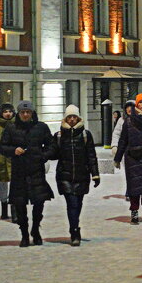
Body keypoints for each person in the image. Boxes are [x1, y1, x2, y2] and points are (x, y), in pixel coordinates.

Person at [0, 100, 55, 247]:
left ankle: (35, 229)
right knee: (20, 205)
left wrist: (43, 156)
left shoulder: (41, 127)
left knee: (39, 203)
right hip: (19, 172)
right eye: (22, 112)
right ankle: (24, 234)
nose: (25, 115)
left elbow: (52, 146)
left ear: (32, 113)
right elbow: (2, 147)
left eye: (28, 112)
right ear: (19, 113)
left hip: (36, 171)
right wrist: (13, 151)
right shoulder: (11, 128)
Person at [51, 104, 100, 246]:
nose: (72, 119)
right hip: (65, 175)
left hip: (82, 175)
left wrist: (95, 174)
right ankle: (74, 231)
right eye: (69, 117)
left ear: (78, 117)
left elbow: (91, 156)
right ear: (65, 118)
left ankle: (74, 226)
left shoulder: (85, 135)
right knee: (71, 204)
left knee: (78, 204)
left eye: (74, 116)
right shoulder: (59, 135)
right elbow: (53, 153)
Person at [115, 93, 142, 224]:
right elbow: (123, 140)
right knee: (134, 187)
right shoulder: (129, 121)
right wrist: (117, 157)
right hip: (132, 158)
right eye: (140, 102)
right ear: (137, 104)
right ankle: (134, 211)